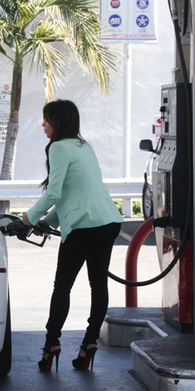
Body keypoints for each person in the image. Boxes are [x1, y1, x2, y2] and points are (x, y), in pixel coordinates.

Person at [22, 99, 123, 372]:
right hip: (108, 221)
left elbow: (54, 192)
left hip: (83, 227)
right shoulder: (83, 146)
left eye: (46, 119)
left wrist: (27, 218)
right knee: (98, 285)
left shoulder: (58, 147)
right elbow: (75, 193)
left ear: (58, 121)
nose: (43, 124)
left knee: (62, 287)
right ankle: (89, 342)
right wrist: (47, 221)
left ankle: (51, 344)